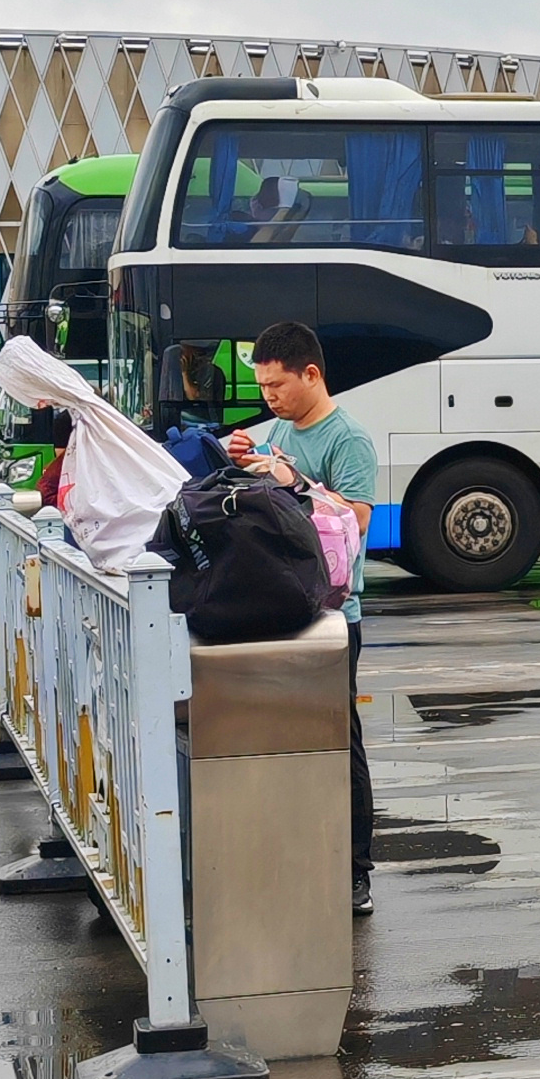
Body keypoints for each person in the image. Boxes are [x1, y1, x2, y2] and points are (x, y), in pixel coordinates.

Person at [225, 319, 383, 916]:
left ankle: (355, 871)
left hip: (337, 615)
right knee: (288, 742)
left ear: (311, 374)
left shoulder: (348, 440)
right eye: (263, 387)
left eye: (277, 385)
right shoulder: (275, 433)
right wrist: (244, 457)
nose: (269, 397)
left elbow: (357, 521)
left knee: (341, 741)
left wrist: (294, 479)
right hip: (283, 609)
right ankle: (299, 861)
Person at [156, 343, 231, 478]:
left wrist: (185, 374)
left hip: (205, 424)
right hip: (187, 425)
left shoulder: (210, 371)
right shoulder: (187, 372)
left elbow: (195, 396)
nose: (182, 355)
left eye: (184, 351)